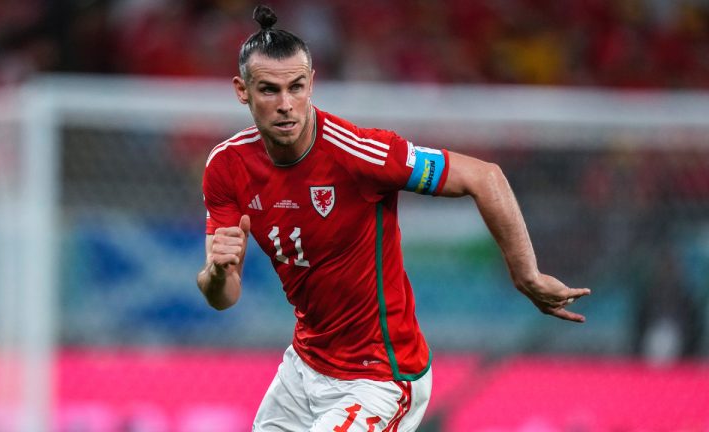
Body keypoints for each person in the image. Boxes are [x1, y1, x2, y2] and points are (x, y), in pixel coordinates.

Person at [197, 5, 591, 431]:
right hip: (304, 368)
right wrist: (217, 272)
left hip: (380, 376)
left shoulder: (360, 154)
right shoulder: (226, 167)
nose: (286, 105)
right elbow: (224, 296)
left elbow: (484, 176)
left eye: (296, 87)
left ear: (312, 83)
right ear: (242, 90)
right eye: (269, 90)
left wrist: (526, 273)